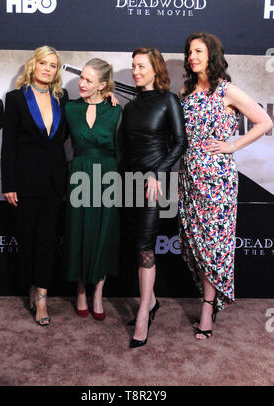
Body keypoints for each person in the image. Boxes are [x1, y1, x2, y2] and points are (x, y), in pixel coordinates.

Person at [178, 32, 273, 340]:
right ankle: (210, 299)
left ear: (212, 56)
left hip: (217, 180)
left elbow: (265, 122)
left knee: (213, 245)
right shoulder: (186, 90)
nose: (192, 56)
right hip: (189, 176)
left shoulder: (226, 90)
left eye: (198, 51)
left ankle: (208, 305)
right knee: (195, 243)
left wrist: (234, 146)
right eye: (190, 51)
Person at [121, 47, 187, 348]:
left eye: (141, 66)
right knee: (136, 245)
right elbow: (125, 149)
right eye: (133, 66)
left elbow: (179, 143)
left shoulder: (169, 100)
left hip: (154, 184)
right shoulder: (130, 107)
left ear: (156, 69)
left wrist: (157, 173)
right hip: (128, 183)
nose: (136, 71)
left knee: (146, 248)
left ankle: (143, 316)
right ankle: (152, 301)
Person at [1, 46, 69, 326]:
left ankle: (42, 296)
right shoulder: (16, 99)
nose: (48, 69)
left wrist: (109, 97)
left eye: (53, 65)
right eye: (43, 63)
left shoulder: (62, 98)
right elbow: (9, 146)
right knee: (28, 240)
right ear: (33, 64)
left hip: (55, 180)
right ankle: (31, 286)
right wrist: (9, 182)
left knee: (47, 240)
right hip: (26, 181)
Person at [64, 58, 122, 321]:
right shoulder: (70, 108)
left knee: (104, 233)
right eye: (81, 78)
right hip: (78, 172)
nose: (82, 83)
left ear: (103, 84)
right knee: (77, 231)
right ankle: (80, 291)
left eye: (89, 80)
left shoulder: (116, 110)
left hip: (108, 174)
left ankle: (98, 291)